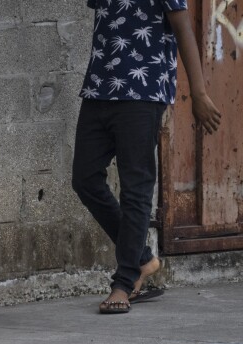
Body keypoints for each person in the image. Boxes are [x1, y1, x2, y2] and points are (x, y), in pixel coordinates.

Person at [74, 0, 223, 314]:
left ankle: (124, 282)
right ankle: (142, 258)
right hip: (99, 89)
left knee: (136, 187)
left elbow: (183, 28)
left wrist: (198, 93)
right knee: (85, 179)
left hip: (143, 91)